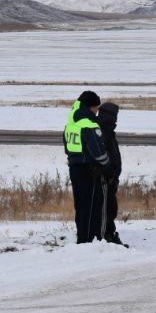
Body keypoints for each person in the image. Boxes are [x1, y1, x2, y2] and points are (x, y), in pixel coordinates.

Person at [64, 90, 110, 244]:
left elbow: (66, 146)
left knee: (80, 206)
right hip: (89, 170)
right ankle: (88, 241)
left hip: (74, 167)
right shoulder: (88, 124)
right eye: (96, 108)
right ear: (91, 107)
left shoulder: (71, 123)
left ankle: (81, 237)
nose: (97, 112)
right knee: (91, 206)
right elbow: (98, 152)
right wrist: (107, 165)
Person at [96, 102, 125, 245]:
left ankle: (110, 234)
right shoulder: (102, 131)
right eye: (114, 116)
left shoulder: (107, 130)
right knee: (106, 209)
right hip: (107, 177)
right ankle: (105, 237)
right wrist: (110, 174)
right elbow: (102, 155)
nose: (116, 119)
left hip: (111, 177)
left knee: (111, 208)